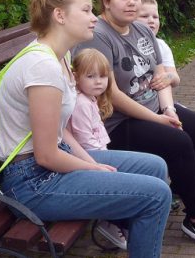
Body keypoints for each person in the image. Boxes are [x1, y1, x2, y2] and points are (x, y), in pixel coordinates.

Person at [0, 0, 171, 258]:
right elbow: (46, 156)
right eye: (86, 10)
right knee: (156, 196)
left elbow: (62, 132)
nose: (93, 18)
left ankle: (129, 233)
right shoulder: (42, 67)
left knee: (155, 168)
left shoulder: (60, 58)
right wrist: (92, 170)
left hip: (49, 164)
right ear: (60, 15)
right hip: (33, 183)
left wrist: (90, 161)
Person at [77, 0, 195, 251]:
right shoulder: (99, 37)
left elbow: (160, 75)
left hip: (153, 108)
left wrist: (169, 108)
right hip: (116, 122)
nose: (131, 3)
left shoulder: (141, 30)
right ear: (106, 1)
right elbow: (110, 93)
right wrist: (159, 120)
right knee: (178, 141)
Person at [67, 48, 127, 250]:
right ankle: (110, 222)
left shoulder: (90, 99)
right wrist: (104, 156)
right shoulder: (81, 104)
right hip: (89, 156)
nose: (99, 81)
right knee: (119, 178)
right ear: (76, 78)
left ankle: (118, 221)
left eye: (103, 76)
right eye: (91, 76)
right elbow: (84, 139)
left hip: (95, 152)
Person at [137, 0, 180, 90]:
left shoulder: (161, 46)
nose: (151, 20)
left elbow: (176, 78)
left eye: (155, 17)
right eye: (144, 16)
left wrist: (169, 77)